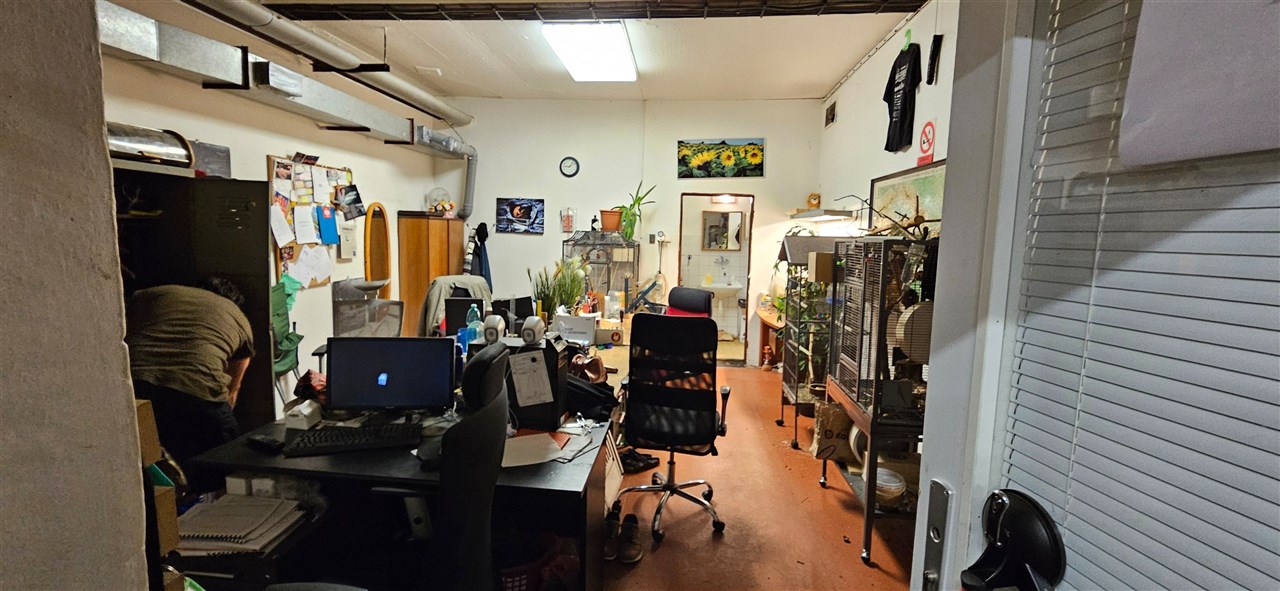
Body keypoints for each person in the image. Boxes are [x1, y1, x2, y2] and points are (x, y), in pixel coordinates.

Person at [126, 277, 254, 489]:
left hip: (136, 387)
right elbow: (233, 389)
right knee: (230, 463)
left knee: (150, 467)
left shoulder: (154, 293)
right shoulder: (238, 317)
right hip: (197, 389)